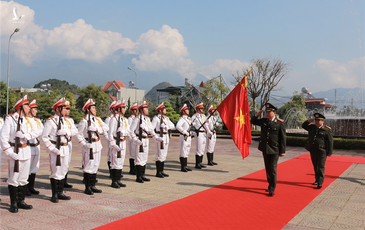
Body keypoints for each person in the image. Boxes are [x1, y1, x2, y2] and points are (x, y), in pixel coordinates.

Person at [0, 95, 39, 213]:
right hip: (14, 152)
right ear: (20, 107)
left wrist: (25, 136)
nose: (29, 108)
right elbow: (3, 138)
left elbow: (37, 131)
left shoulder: (28, 120)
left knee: (23, 178)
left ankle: (21, 201)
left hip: (26, 151)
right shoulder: (10, 119)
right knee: (13, 178)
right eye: (27, 105)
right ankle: (13, 203)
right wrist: (10, 153)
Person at [42, 98, 78, 203]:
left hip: (65, 147)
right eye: (63, 108)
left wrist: (66, 132)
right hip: (55, 148)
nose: (65, 110)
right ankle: (54, 194)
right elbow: (45, 136)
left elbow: (75, 130)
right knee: (55, 171)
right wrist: (51, 148)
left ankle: (60, 192)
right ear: (58, 109)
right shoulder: (51, 121)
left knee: (64, 170)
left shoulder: (66, 120)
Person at [251, 103, 286, 196]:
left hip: (275, 149)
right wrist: (256, 115)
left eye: (269, 112)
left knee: (273, 168)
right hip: (265, 148)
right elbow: (253, 121)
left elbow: (283, 138)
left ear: (274, 113)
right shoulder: (263, 121)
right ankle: (270, 183)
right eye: (266, 112)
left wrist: (283, 151)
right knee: (267, 168)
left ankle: (272, 188)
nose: (267, 113)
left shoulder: (279, 123)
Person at [77, 98, 109, 195]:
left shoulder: (98, 119)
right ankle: (87, 187)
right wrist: (84, 144)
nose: (95, 110)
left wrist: (96, 129)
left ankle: (93, 185)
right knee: (88, 166)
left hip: (97, 144)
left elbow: (106, 127)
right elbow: (79, 134)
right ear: (88, 109)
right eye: (93, 108)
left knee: (95, 166)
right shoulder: (84, 121)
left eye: (95, 108)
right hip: (89, 145)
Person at [129, 101, 163, 183]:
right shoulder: (137, 119)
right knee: (138, 158)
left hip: (146, 140)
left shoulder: (147, 119)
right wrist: (135, 140)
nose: (147, 110)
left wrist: (156, 137)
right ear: (141, 110)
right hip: (139, 140)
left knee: (144, 158)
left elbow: (151, 129)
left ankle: (143, 175)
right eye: (146, 108)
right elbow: (131, 131)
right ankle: (138, 176)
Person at [302, 113, 333, 189]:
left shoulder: (326, 130)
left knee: (321, 166)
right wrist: (308, 121)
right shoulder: (312, 127)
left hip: (322, 151)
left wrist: (329, 152)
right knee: (315, 165)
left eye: (318, 120)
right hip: (313, 150)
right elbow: (303, 126)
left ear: (322, 121)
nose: (316, 122)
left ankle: (320, 182)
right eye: (316, 120)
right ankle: (316, 179)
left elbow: (330, 141)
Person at [108, 100, 129, 188]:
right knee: (115, 163)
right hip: (116, 143)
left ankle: (118, 180)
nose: (124, 109)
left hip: (123, 142)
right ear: (118, 109)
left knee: (120, 162)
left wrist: (123, 132)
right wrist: (113, 144)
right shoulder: (113, 119)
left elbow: (128, 131)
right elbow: (110, 134)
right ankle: (114, 181)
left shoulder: (124, 119)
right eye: (123, 107)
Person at [151, 102, 175, 178]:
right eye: (164, 109)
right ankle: (158, 172)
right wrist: (155, 137)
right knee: (159, 155)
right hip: (159, 136)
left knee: (164, 155)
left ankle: (162, 171)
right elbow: (151, 129)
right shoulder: (156, 118)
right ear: (160, 110)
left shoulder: (166, 118)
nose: (166, 110)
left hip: (166, 136)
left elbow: (173, 126)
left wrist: (166, 126)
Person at [25, 100, 44, 196]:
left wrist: (35, 133)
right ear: (30, 110)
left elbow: (42, 130)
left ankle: (31, 187)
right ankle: (26, 188)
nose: (36, 111)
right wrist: (36, 132)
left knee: (34, 168)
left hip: (36, 146)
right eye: (34, 109)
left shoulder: (38, 120)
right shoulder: (26, 120)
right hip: (29, 146)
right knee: (27, 168)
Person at [191, 103, 212, 169]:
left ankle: (200, 162)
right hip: (199, 133)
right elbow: (192, 124)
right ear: (198, 109)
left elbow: (206, 125)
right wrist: (193, 124)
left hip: (204, 133)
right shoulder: (194, 116)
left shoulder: (204, 116)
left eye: (202, 108)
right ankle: (197, 164)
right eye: (201, 108)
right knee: (199, 148)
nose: (202, 109)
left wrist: (209, 131)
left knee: (202, 148)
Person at [176, 104, 196, 172]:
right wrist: (185, 132)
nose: (188, 111)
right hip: (184, 136)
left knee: (187, 151)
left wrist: (192, 132)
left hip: (188, 137)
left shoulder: (188, 118)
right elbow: (178, 126)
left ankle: (185, 166)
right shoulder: (182, 119)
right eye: (186, 110)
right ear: (183, 111)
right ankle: (183, 167)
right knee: (183, 151)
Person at [63, 101, 75, 188]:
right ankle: (61, 181)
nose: (68, 111)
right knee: (62, 163)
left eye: (69, 109)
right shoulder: (59, 120)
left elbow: (74, 131)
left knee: (67, 162)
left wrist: (68, 132)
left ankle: (65, 181)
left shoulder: (70, 120)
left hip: (69, 142)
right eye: (66, 109)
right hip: (62, 143)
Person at [104, 101, 117, 178]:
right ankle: (111, 173)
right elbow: (105, 131)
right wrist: (109, 140)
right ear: (111, 110)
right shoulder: (109, 119)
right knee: (110, 156)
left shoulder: (118, 118)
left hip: (117, 140)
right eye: (115, 108)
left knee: (115, 156)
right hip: (111, 140)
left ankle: (116, 172)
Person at [127, 103, 138, 175]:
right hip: (132, 138)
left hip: (136, 137)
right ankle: (132, 169)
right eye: (135, 110)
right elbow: (129, 129)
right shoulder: (130, 119)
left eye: (137, 109)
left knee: (136, 153)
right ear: (132, 111)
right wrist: (131, 138)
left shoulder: (137, 118)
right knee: (132, 154)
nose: (136, 111)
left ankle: (135, 168)